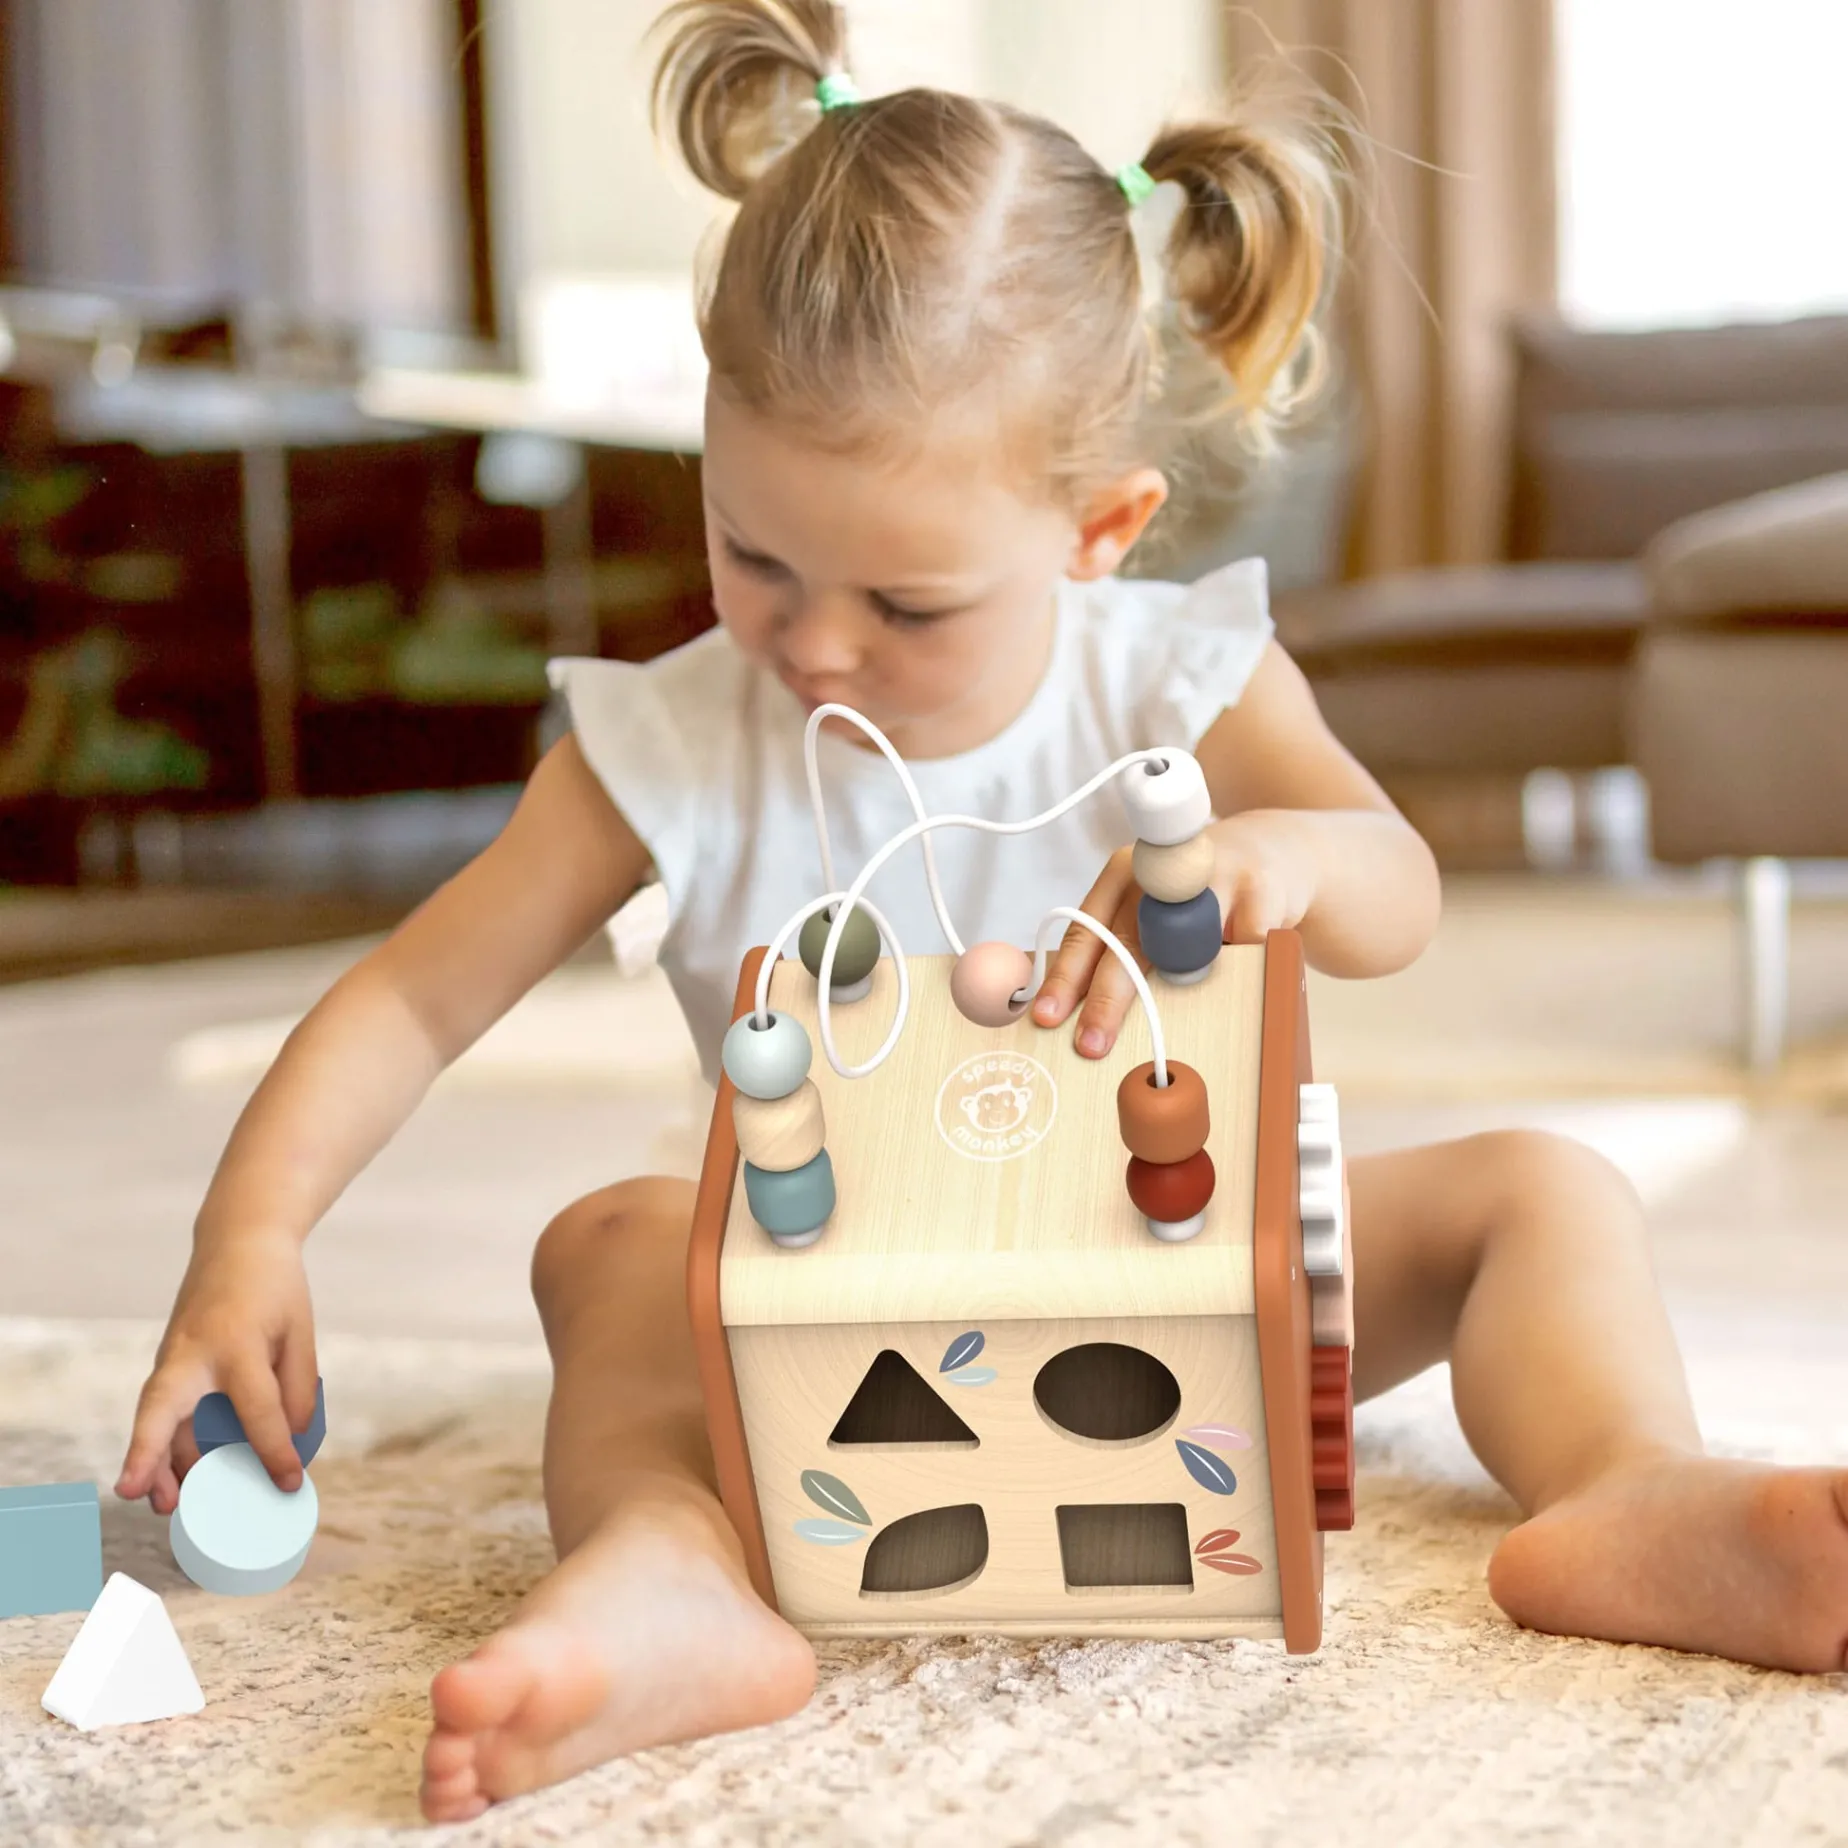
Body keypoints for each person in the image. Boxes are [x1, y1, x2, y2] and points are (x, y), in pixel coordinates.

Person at [115, 0, 1848, 1824]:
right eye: (752, 554)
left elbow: (1397, 889)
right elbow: (410, 999)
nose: (814, 644)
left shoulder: (1174, 676)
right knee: (608, 1248)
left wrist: (1284, 857)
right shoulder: (667, 744)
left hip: (1205, 1305)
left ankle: (1625, 1486)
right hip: (825, 1351)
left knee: (1546, 1192)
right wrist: (252, 1235)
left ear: (1101, 528)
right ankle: (670, 1561)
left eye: (907, 602)